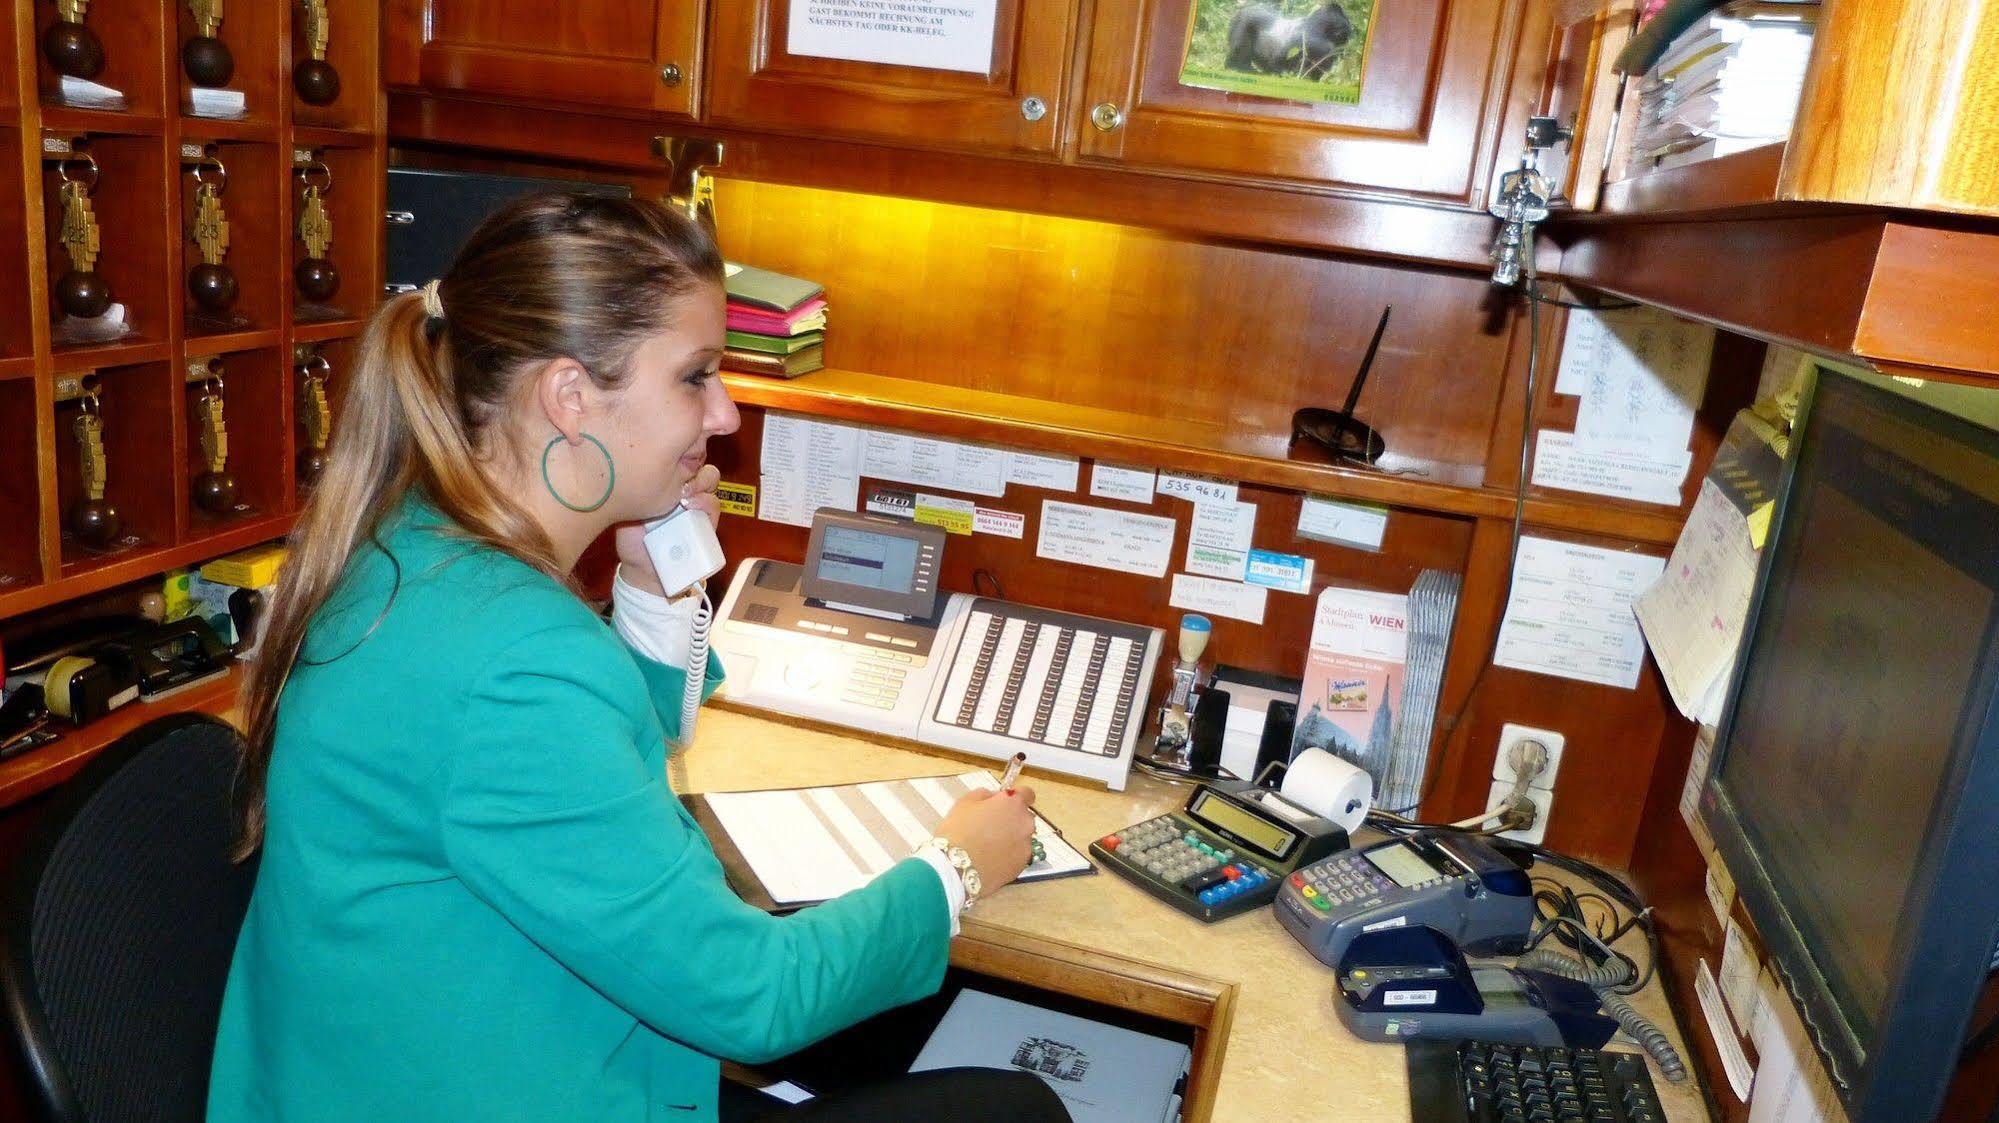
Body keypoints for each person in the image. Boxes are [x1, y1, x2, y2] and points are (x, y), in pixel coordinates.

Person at [206, 194, 1067, 1122]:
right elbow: (752, 995)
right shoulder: (518, 664)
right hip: (496, 1084)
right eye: (695, 377)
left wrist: (656, 594)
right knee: (1012, 1109)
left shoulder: (412, 548)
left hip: (434, 1061)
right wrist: (955, 869)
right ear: (570, 396)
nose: (726, 413)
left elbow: (597, 757)